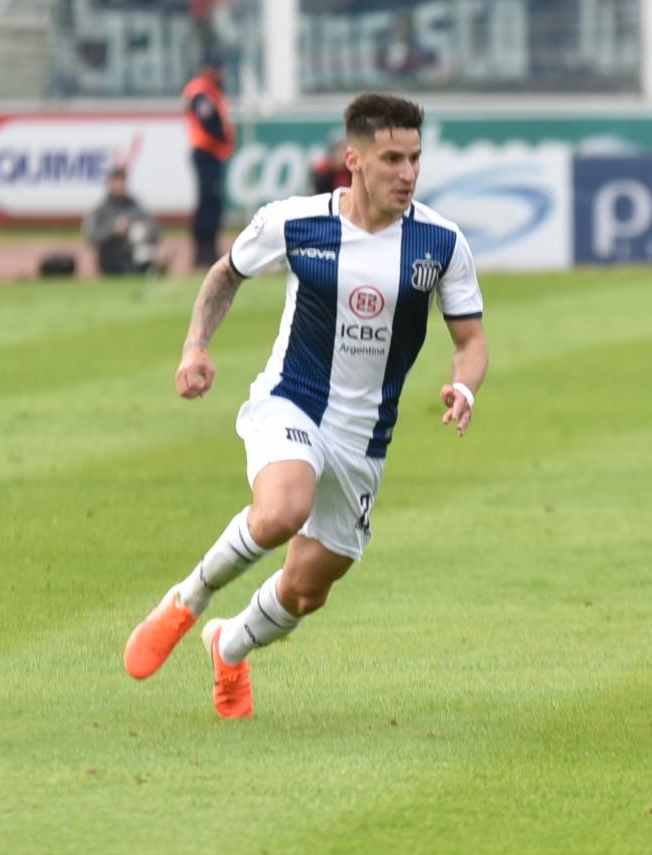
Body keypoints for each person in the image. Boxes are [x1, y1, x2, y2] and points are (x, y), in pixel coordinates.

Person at [123, 92, 488, 719]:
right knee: (282, 510)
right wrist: (194, 347)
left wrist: (466, 386)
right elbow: (225, 273)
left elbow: (471, 338)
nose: (408, 173)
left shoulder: (439, 242)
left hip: (364, 437)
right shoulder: (295, 222)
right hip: (292, 402)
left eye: (415, 159)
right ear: (354, 160)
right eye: (392, 158)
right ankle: (187, 599)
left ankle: (229, 646)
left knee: (307, 590)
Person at [183, 49, 235, 268]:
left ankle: (209, 248)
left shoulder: (213, 91)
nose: (219, 72)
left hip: (213, 153)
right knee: (207, 201)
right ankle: (202, 251)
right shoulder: (200, 91)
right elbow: (208, 121)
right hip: (205, 151)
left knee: (213, 202)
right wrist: (223, 138)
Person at [82, 166, 164, 275]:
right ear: (110, 184)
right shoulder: (101, 210)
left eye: (122, 182)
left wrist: (143, 229)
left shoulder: (134, 206)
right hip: (111, 261)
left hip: (134, 256)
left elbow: (156, 230)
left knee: (139, 234)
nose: (120, 186)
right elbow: (91, 237)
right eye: (117, 182)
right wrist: (113, 230)